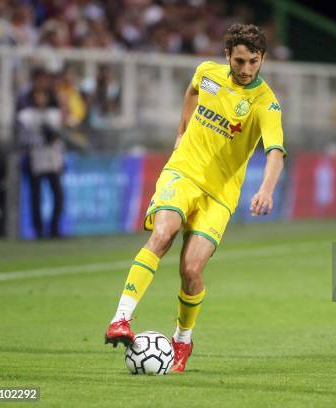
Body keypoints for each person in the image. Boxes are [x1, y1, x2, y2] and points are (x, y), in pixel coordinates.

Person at [104, 23, 286, 373]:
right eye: (240, 61)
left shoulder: (267, 103)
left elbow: (275, 152)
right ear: (227, 57)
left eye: (253, 61)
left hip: (220, 195)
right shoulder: (207, 73)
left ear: (262, 59)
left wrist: (266, 189)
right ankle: (121, 318)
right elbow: (191, 91)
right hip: (182, 173)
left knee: (191, 269)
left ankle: (182, 340)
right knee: (162, 233)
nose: (246, 69)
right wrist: (181, 129)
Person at [17, 88, 65, 239]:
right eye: (38, 95)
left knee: (58, 195)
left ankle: (54, 229)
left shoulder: (54, 114)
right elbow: (22, 139)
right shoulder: (26, 115)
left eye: (43, 95)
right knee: (36, 197)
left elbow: (59, 137)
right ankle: (38, 230)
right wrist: (42, 140)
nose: (41, 99)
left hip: (52, 159)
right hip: (36, 159)